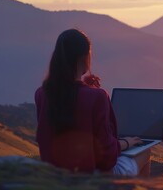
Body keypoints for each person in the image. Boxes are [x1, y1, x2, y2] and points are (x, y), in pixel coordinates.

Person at [35, 29, 151, 176]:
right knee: (145, 151)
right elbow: (107, 157)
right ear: (85, 57)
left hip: (55, 173)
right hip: (94, 177)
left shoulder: (42, 93)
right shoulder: (97, 96)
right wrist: (126, 143)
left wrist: (89, 90)